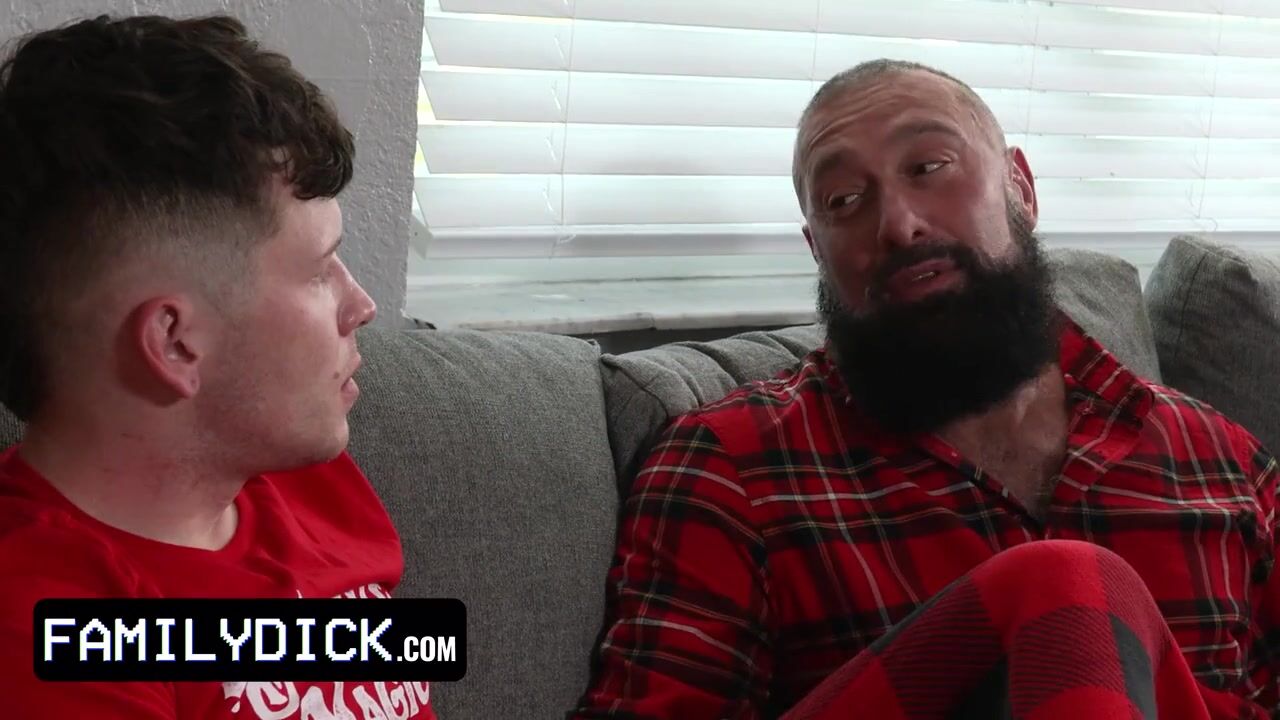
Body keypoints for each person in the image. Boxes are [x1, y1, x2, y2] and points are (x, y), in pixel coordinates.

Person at [571, 59, 1280, 719]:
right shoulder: (731, 467)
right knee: (1066, 589)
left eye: (929, 167)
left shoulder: (1219, 458)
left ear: (1021, 189)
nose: (898, 224)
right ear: (818, 252)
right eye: (845, 200)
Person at [0, 15, 436, 719]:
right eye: (320, 269)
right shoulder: (39, 627)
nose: (362, 305)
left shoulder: (309, 477)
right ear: (175, 343)